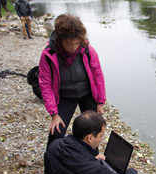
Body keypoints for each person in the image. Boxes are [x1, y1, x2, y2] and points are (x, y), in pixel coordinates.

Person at [39, 14, 106, 148]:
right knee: (56, 133)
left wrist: (100, 102)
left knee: (93, 132)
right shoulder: (48, 55)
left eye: (77, 43)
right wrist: (54, 113)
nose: (74, 48)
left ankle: (92, 163)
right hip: (65, 96)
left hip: (87, 94)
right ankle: (52, 163)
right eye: (69, 44)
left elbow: (98, 75)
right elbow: (45, 85)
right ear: (60, 39)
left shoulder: (87, 50)